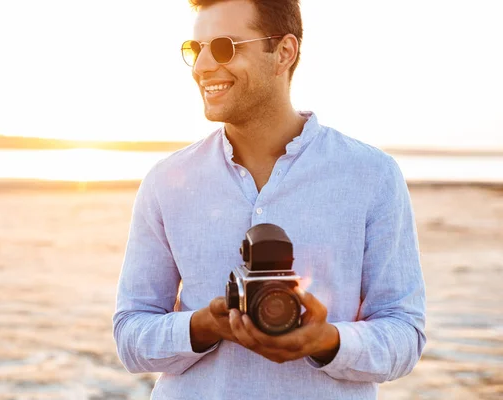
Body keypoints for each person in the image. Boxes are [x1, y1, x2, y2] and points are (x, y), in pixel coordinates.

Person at [112, 0, 426, 398]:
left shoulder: (372, 175)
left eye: (224, 47)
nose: (203, 66)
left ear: (284, 52)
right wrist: (204, 326)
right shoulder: (165, 181)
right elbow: (130, 335)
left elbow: (404, 334)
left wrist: (327, 341)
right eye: (195, 49)